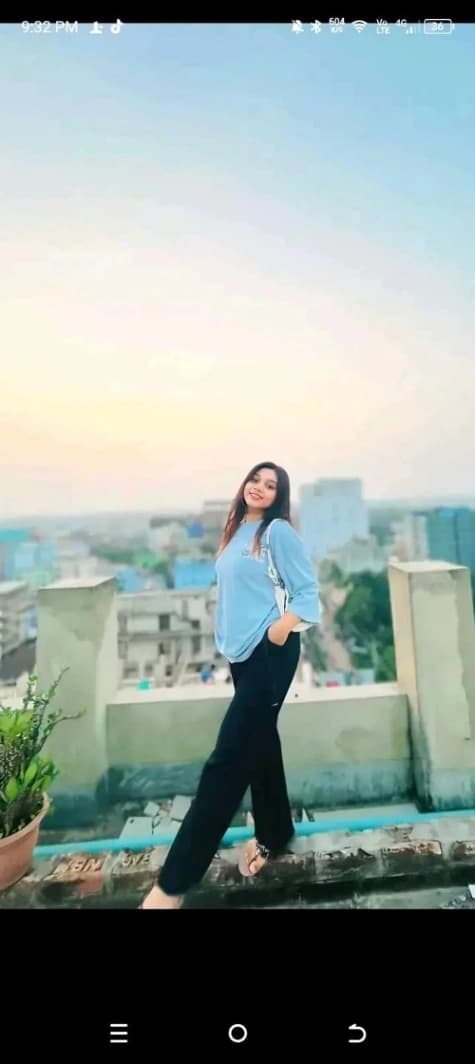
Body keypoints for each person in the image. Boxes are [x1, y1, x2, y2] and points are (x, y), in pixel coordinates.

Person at [140, 461, 321, 909]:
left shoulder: (278, 532)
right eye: (255, 479)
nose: (259, 487)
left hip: (271, 653)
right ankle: (275, 832)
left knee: (227, 760)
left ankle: (172, 886)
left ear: (279, 496)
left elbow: (308, 594)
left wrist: (278, 631)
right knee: (260, 742)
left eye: (270, 485)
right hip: (242, 654)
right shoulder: (237, 530)